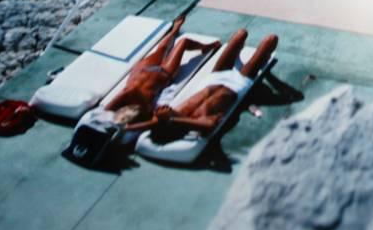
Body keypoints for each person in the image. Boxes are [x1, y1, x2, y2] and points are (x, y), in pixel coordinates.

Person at [126, 29, 278, 138]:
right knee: (271, 39)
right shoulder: (198, 121)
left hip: (215, 78)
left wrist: (124, 127)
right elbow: (210, 125)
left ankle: (239, 53)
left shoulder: (168, 115)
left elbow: (144, 125)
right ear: (168, 125)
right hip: (237, 84)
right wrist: (170, 118)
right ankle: (263, 58)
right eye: (160, 116)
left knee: (240, 34)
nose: (161, 109)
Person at [103, 16, 222, 126]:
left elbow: (106, 111)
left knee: (162, 48)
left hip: (143, 68)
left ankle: (175, 30)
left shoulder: (124, 99)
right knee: (183, 42)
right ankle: (207, 46)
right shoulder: (147, 112)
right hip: (165, 73)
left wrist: (117, 124)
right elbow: (154, 120)